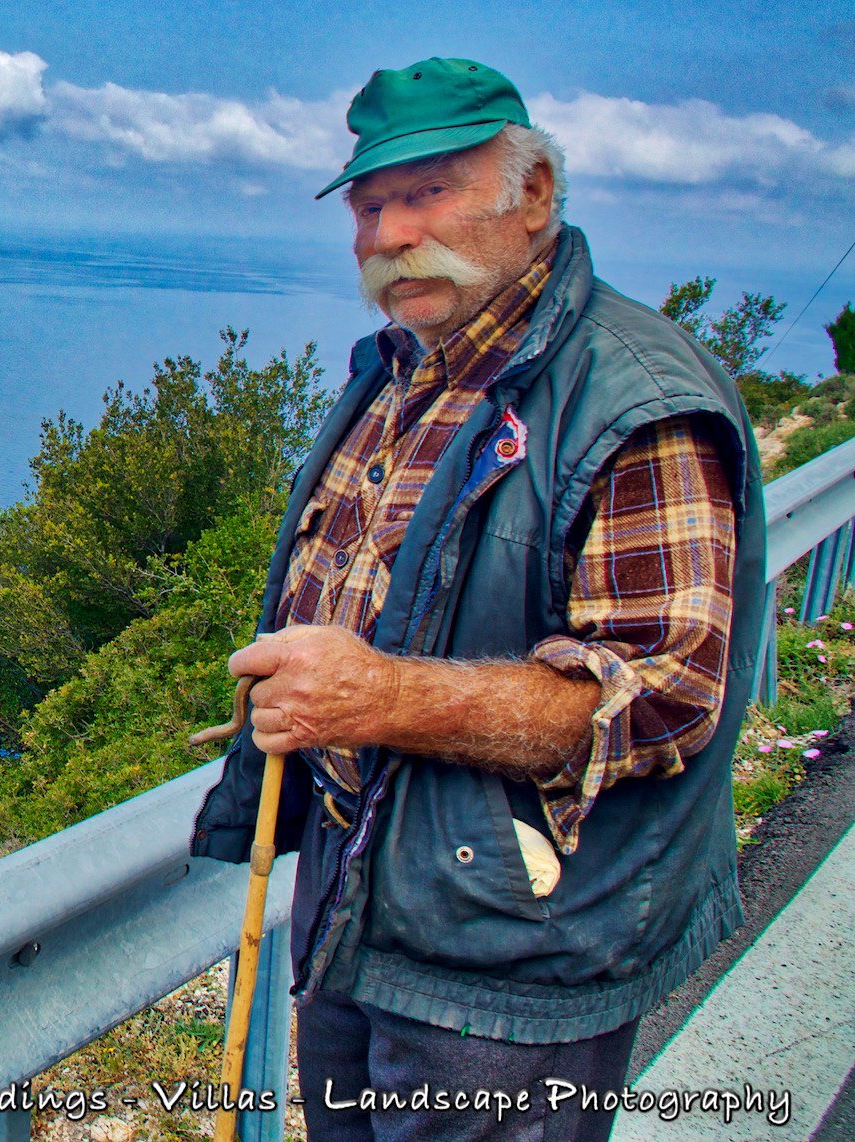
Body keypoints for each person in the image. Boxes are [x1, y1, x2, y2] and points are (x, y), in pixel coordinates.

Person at [190, 57, 765, 1141]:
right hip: (361, 896)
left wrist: (377, 701)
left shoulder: (631, 397)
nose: (390, 232)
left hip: (510, 946)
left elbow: (662, 695)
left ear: (531, 194)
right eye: (368, 204)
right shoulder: (407, 365)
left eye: (426, 192)